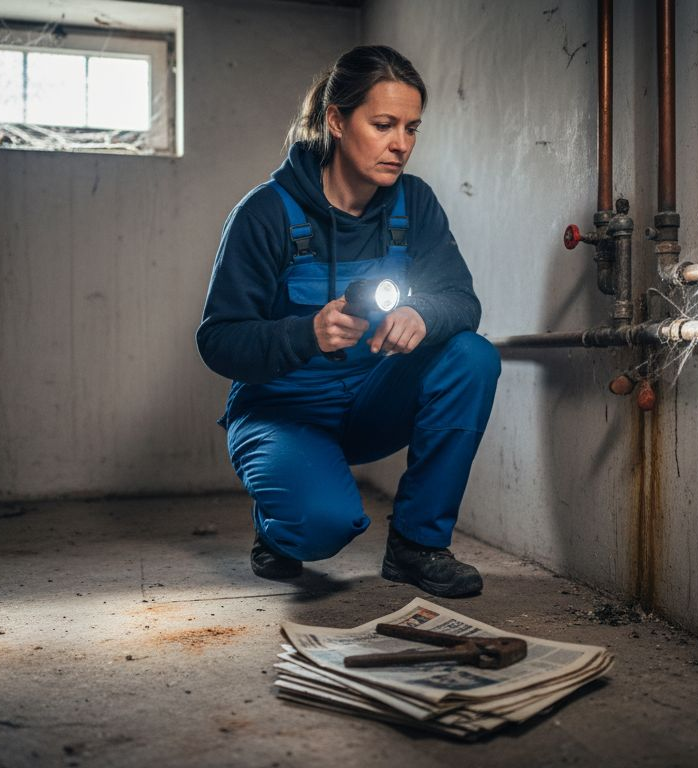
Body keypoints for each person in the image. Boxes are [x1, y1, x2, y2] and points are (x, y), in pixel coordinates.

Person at [196, 45, 500, 598]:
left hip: (371, 401)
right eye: (383, 124)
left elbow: (461, 299)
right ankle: (278, 525)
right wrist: (305, 333)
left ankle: (416, 544)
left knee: (473, 355)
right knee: (322, 526)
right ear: (336, 120)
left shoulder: (415, 205)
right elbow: (218, 340)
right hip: (283, 412)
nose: (401, 144)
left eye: (412, 128)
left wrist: (422, 313)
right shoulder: (265, 213)